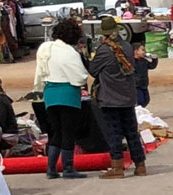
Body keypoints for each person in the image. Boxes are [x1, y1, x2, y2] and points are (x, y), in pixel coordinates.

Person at [91, 16, 148, 179]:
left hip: (110, 97)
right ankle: (140, 165)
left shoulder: (103, 50)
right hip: (128, 96)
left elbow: (93, 70)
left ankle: (117, 167)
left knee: (114, 132)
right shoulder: (127, 47)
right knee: (131, 132)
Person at [34, 18, 90, 179]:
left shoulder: (45, 48)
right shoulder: (70, 52)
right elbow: (80, 77)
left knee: (55, 132)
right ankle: (68, 168)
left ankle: (51, 168)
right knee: (68, 132)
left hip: (50, 93)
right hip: (67, 93)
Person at [132, 43, 158, 107]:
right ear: (136, 51)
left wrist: (154, 59)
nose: (144, 52)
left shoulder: (144, 61)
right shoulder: (132, 62)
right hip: (136, 85)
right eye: (142, 50)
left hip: (144, 84)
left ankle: (140, 110)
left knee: (146, 99)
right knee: (140, 100)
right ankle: (138, 112)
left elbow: (152, 66)